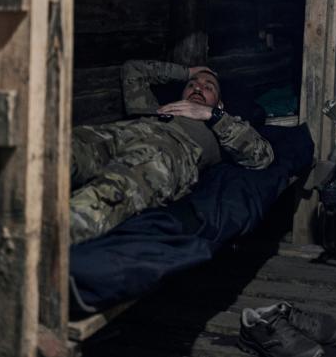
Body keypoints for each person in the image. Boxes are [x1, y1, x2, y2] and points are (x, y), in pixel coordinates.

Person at [69, 60, 274, 244]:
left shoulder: (222, 127)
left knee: (112, 189)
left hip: (168, 150)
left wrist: (211, 114)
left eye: (208, 87)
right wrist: (187, 72)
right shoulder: (153, 109)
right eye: (192, 85)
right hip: (122, 133)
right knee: (65, 147)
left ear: (220, 104)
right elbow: (133, 70)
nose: (198, 87)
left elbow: (262, 156)